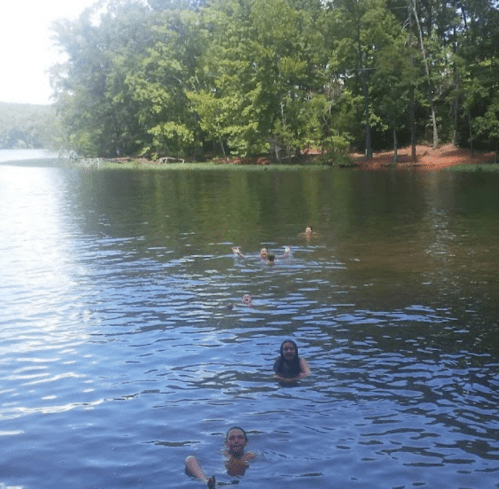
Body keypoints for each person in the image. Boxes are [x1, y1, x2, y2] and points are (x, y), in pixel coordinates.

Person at [185, 427, 256, 487]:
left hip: (238, 482)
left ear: (246, 442)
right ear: (226, 444)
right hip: (217, 480)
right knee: (190, 459)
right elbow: (190, 461)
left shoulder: (249, 456)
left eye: (240, 437)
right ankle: (206, 482)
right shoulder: (222, 454)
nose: (236, 441)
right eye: (232, 438)